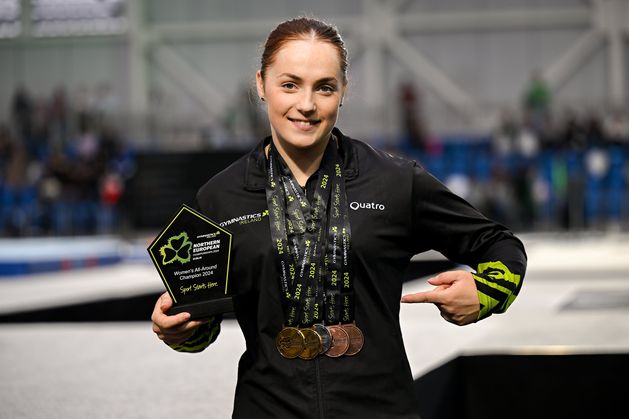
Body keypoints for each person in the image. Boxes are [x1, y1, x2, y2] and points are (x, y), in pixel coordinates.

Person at [151, 17, 527, 419]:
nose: (307, 104)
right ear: (261, 85)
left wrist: (487, 291)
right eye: (289, 84)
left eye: (324, 87)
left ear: (343, 91)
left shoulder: (394, 182)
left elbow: (501, 245)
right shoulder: (220, 197)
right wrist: (181, 331)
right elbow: (200, 320)